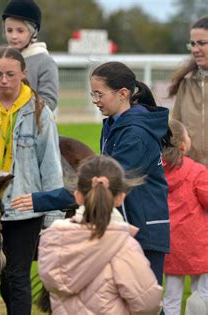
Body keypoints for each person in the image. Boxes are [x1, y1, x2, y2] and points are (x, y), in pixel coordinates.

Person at [12, 61, 171, 287]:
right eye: (92, 94)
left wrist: (43, 200)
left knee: (143, 304)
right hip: (122, 226)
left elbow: (102, 185)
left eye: (99, 94)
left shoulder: (136, 134)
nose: (95, 101)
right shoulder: (114, 125)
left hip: (143, 230)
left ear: (123, 94)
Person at [0, 47, 63, 315]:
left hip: (25, 209)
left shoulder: (40, 112)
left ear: (23, 73)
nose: (3, 80)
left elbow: (50, 166)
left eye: (10, 74)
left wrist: (53, 217)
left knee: (16, 276)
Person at [38, 155, 163, 315]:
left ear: (77, 196)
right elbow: (148, 304)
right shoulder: (125, 247)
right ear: (120, 198)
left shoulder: (53, 239)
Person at [161, 119, 208, 315]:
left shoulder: (155, 173)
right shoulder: (197, 171)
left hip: (170, 245)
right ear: (183, 145)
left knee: (171, 298)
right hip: (199, 244)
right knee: (202, 294)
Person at [0, 0, 59, 112]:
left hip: (34, 127)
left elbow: (49, 101)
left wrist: (15, 114)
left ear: (33, 32)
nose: (14, 36)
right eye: (9, 30)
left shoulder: (45, 62)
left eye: (20, 31)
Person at [169, 16, 208, 166]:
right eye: (192, 44)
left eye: (202, 43)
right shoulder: (186, 83)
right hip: (192, 176)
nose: (195, 49)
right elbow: (175, 130)